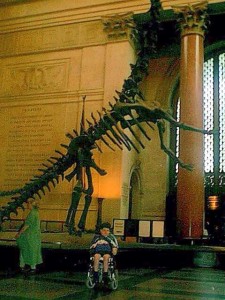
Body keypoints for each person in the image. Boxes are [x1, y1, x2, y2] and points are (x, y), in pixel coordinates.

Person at [15, 199, 43, 273]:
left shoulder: (32, 213)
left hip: (29, 236)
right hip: (34, 235)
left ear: (31, 204)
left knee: (26, 250)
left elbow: (27, 225)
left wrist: (19, 233)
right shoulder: (36, 212)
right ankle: (30, 267)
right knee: (32, 250)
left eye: (28, 203)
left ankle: (24, 266)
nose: (27, 205)